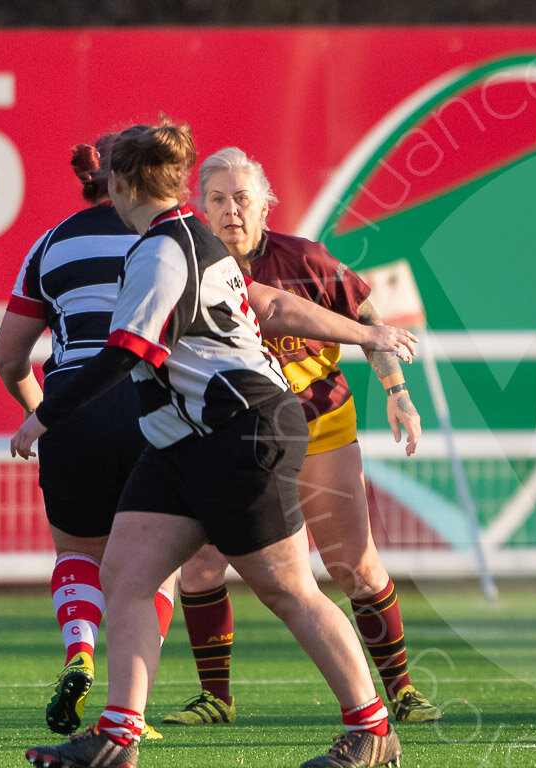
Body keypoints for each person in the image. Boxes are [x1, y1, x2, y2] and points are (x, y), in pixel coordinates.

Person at [16, 119, 418, 768]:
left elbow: (124, 352)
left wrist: (45, 415)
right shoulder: (190, 240)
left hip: (242, 432)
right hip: (186, 439)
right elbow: (271, 304)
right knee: (125, 575)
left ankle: (372, 728)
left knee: (288, 589)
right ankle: (119, 734)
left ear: (119, 184)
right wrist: (366, 334)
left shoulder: (162, 250)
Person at [158, 147, 438, 729]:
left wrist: (397, 391)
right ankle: (216, 698)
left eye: (242, 198)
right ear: (199, 207)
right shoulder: (182, 263)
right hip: (227, 433)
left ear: (265, 205)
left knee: (353, 564)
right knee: (204, 563)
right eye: (217, 198)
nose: (231, 210)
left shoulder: (303, 258)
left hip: (317, 423)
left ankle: (402, 691)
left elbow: (367, 318)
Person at [0, 136, 177, 739]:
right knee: (154, 571)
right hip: (153, 409)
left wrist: (45, 412)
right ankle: (132, 709)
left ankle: (79, 649)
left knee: (77, 555)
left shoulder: (49, 245)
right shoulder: (172, 235)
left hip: (72, 413)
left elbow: (9, 355)